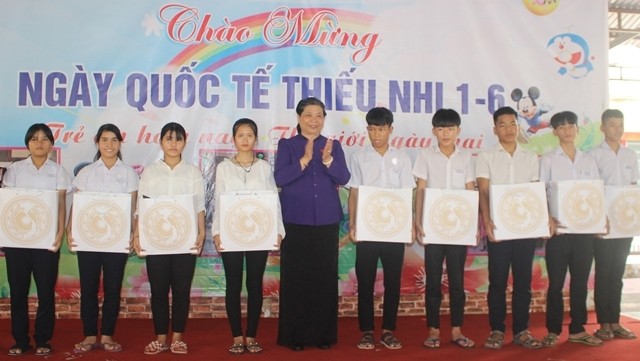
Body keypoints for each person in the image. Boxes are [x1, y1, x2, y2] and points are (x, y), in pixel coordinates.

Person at [274, 97, 351, 351]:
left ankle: (322, 336)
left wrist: (327, 160)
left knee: (324, 279)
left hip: (327, 221)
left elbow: (344, 177)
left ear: (324, 119)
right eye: (308, 115)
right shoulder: (287, 145)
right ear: (299, 118)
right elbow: (280, 178)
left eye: (319, 115)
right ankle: (294, 336)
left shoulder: (333, 145)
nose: (314, 120)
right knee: (296, 279)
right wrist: (304, 160)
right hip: (295, 220)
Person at [212, 118, 285, 355]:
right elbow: (219, 201)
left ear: (256, 139)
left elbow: (274, 201)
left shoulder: (264, 168)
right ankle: (236, 337)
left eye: (250, 135)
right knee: (233, 285)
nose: (245, 140)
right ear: (233, 139)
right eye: (240, 135)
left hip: (259, 234)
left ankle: (251, 336)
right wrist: (216, 232)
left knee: (255, 284)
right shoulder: (224, 168)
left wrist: (278, 230)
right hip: (231, 234)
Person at [133, 122, 205, 355]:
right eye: (169, 139)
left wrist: (201, 232)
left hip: (186, 241)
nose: (173, 144)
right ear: (161, 142)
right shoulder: (150, 172)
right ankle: (161, 337)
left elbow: (199, 206)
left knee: (182, 291)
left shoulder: (192, 171)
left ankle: (177, 338)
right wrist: (137, 233)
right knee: (159, 291)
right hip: (157, 241)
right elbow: (141, 207)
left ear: (185, 142)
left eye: (178, 139)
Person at [347, 107, 415, 350]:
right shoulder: (358, 156)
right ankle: (366, 330)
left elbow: (407, 193)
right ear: (367, 130)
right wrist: (353, 224)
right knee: (365, 281)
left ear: (390, 130)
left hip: (394, 230)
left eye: (382, 129)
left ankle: (388, 330)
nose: (377, 134)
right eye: (373, 129)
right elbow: (354, 193)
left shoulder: (403, 158)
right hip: (366, 229)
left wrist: (408, 226)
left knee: (393, 282)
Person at [67, 124, 139, 353]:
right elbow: (76, 207)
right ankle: (89, 336)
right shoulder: (86, 173)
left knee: (112, 289)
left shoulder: (128, 173)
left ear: (120, 143)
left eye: (114, 140)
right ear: (97, 143)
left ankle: (107, 335)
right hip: (88, 240)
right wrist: (70, 230)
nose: (109, 145)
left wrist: (132, 233)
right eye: (105, 140)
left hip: (116, 241)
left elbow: (133, 208)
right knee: (88, 289)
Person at [476, 106, 544, 349]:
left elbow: (535, 193)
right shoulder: (486, 156)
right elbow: (483, 190)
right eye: (502, 124)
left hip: (525, 229)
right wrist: (487, 221)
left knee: (523, 283)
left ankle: (521, 330)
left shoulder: (530, 157)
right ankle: (496, 329)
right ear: (495, 129)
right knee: (497, 282)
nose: (508, 129)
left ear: (518, 126)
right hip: (499, 230)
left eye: (513, 124)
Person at [2, 123, 72, 356]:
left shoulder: (58, 171)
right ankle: (20, 340)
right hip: (17, 242)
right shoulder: (15, 170)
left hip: (46, 242)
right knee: (18, 292)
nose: (39, 143)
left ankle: (43, 340)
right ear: (27, 144)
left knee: (45, 292)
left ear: (51, 143)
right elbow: (8, 205)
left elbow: (61, 204)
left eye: (44, 139)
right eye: (34, 139)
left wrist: (60, 232)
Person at [540, 111, 603, 347]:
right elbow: (540, 192)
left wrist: (599, 219)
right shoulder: (548, 159)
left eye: (570, 126)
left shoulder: (588, 160)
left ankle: (577, 329)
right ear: (554, 132)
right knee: (555, 284)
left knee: (580, 282)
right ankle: (553, 331)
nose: (567, 131)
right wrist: (548, 218)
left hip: (585, 232)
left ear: (577, 129)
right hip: (559, 233)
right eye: (561, 127)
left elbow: (595, 193)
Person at [413, 108, 476, 349]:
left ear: (458, 131)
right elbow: (420, 190)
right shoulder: (425, 155)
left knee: (458, 283)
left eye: (450, 128)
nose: (445, 133)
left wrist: (472, 225)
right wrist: (418, 221)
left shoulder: (466, 158)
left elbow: (471, 191)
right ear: (434, 131)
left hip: (459, 231)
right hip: (433, 228)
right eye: (440, 128)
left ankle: (457, 330)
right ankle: (433, 330)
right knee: (433, 282)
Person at [590, 109, 638, 341]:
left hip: (625, 225)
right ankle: (603, 323)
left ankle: (616, 321)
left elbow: (633, 188)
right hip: (603, 225)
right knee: (604, 272)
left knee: (617, 274)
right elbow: (592, 191)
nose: (616, 129)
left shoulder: (631, 156)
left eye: (620, 125)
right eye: (612, 125)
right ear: (602, 128)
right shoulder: (594, 156)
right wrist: (600, 219)